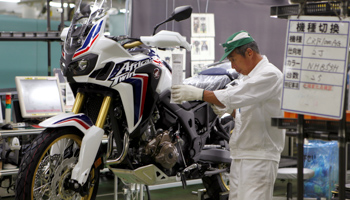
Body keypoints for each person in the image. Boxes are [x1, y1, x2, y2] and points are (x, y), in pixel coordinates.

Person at [171, 30, 285, 200]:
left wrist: (200, 94)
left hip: (260, 158)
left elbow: (235, 95)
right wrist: (229, 110)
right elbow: (245, 108)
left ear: (249, 53)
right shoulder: (247, 77)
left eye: (233, 59)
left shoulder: (270, 75)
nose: (232, 66)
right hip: (240, 155)